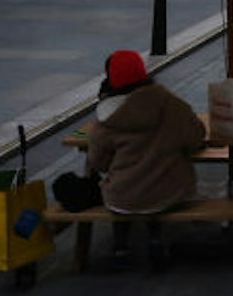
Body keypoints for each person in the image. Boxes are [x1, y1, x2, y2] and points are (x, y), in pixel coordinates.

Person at [81, 50, 204, 266]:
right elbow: (195, 137)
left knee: (124, 189)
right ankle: (155, 238)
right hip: (172, 192)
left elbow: (98, 162)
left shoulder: (107, 117)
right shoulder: (170, 104)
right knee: (156, 187)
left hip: (123, 198)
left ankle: (121, 246)